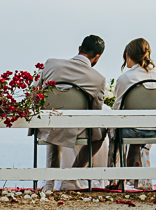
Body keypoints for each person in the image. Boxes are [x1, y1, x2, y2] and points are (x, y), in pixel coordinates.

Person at [32, 35, 108, 188]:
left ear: (79, 48)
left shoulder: (51, 64)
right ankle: (71, 177)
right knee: (99, 135)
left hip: (48, 125)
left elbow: (34, 92)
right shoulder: (98, 79)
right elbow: (95, 113)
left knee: (54, 123)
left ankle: (49, 182)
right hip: (75, 128)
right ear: (97, 57)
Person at [110, 38, 156, 179]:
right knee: (137, 128)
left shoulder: (125, 78)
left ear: (128, 55)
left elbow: (117, 110)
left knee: (113, 131)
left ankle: (116, 178)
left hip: (133, 131)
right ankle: (140, 180)